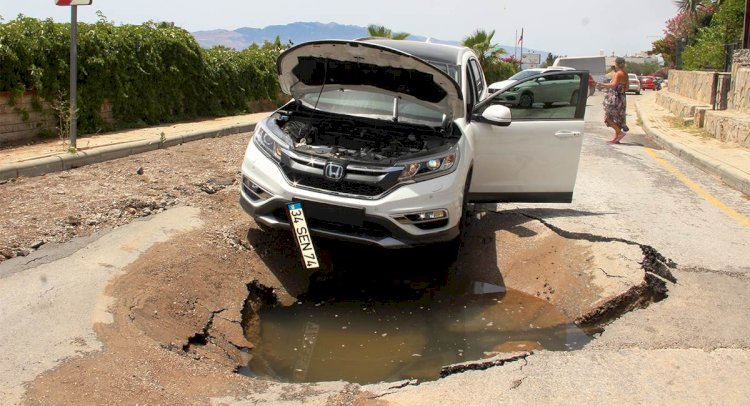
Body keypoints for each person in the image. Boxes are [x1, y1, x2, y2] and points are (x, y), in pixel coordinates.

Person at [595, 57, 629, 144]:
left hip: (616, 98)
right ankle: (616, 138)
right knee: (617, 118)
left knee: (608, 117)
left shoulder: (618, 74)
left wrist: (602, 84)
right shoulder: (625, 73)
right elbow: (627, 87)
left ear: (616, 64)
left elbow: (613, 85)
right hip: (622, 98)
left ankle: (620, 133)